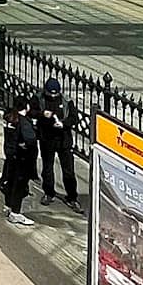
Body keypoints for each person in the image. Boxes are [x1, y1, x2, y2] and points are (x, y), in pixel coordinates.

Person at [36, 77, 81, 209]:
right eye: (50, 94)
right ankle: (49, 192)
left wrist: (63, 124)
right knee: (47, 168)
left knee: (68, 170)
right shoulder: (39, 99)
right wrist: (42, 114)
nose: (53, 96)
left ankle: (72, 197)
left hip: (63, 140)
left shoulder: (66, 101)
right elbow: (32, 111)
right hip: (47, 138)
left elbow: (74, 118)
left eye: (55, 94)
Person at [0, 93, 37, 226]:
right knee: (19, 186)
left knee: (10, 181)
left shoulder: (10, 118)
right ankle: (15, 213)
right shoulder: (23, 122)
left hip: (11, 156)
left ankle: (8, 205)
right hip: (22, 159)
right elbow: (30, 139)